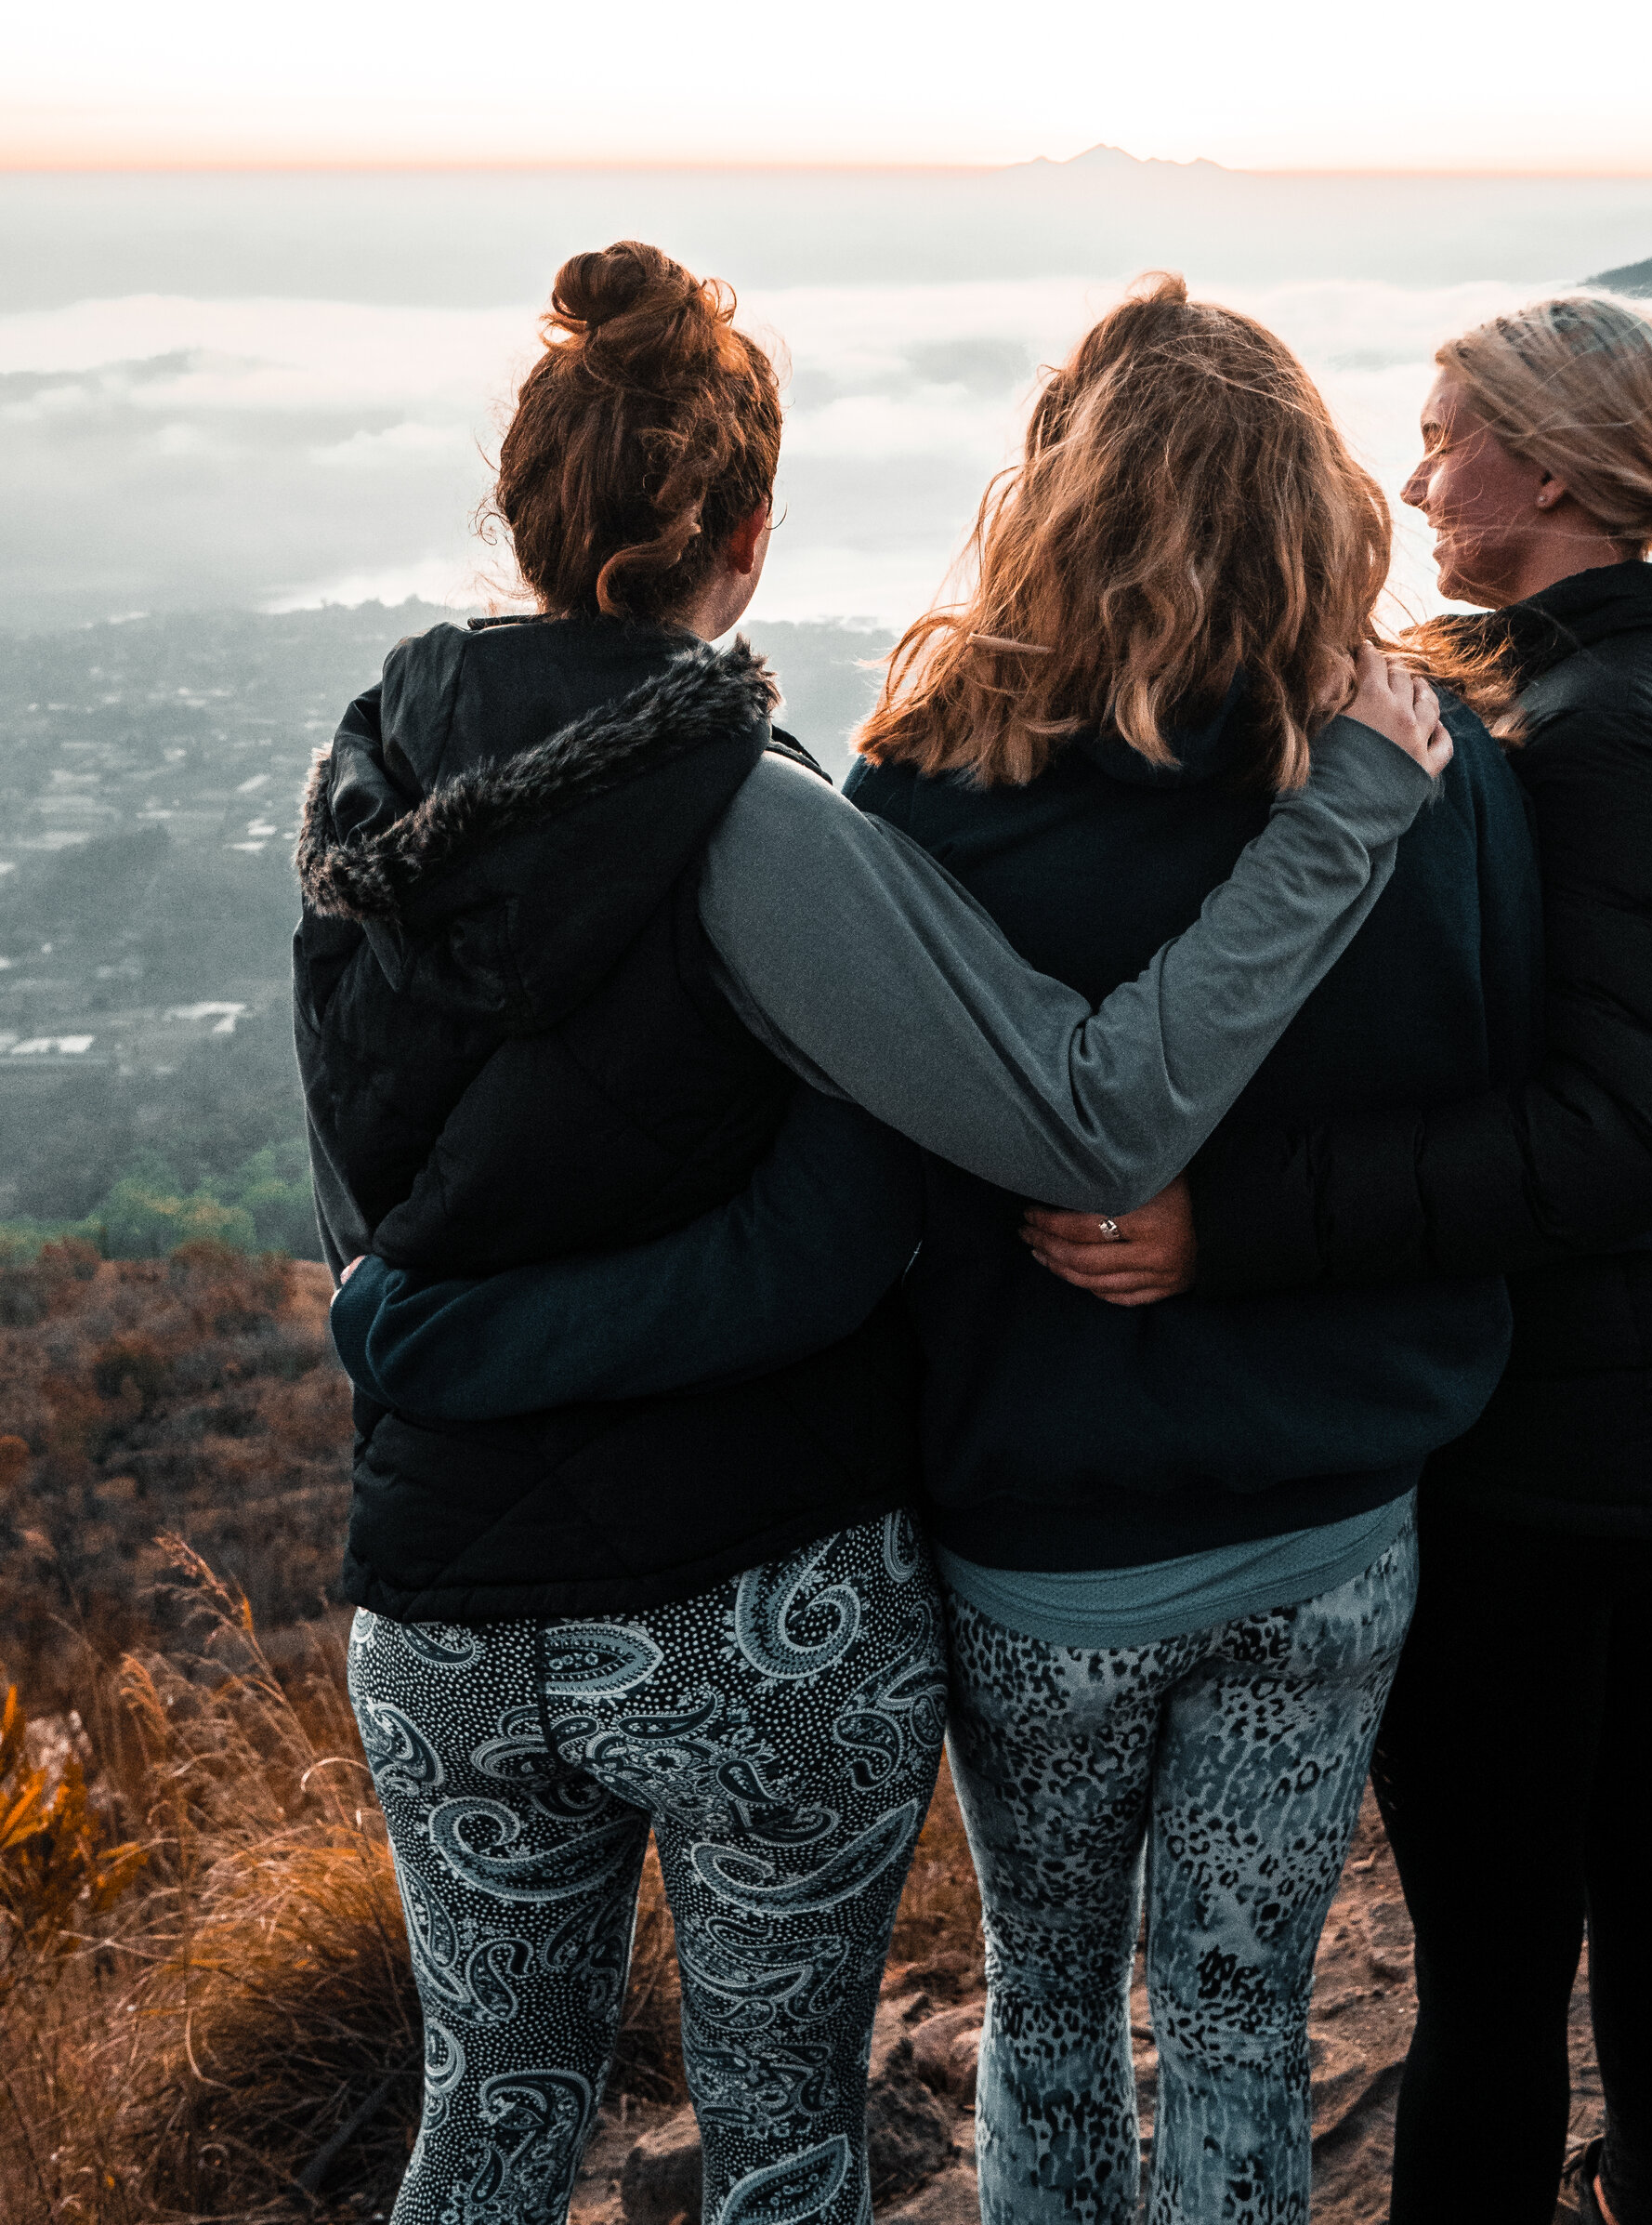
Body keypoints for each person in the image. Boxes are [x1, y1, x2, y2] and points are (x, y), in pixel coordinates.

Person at [351, 274, 1541, 2225]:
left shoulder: (914, 789)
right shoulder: (1423, 764)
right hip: (1313, 1519)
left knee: (1033, 2002)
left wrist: (419, 1332)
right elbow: (1467, 1116)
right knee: (1233, 2019)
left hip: (1033, 1536)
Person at [1029, 291, 1652, 2225]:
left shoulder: (1599, 734)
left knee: (1492, 1933)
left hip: (1571, 1421)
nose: (1409, 474)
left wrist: (1236, 1225)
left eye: (1442, 434)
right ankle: (1651, 2192)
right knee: (1644, 1823)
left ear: (1541, 470)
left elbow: (1617, 1125)